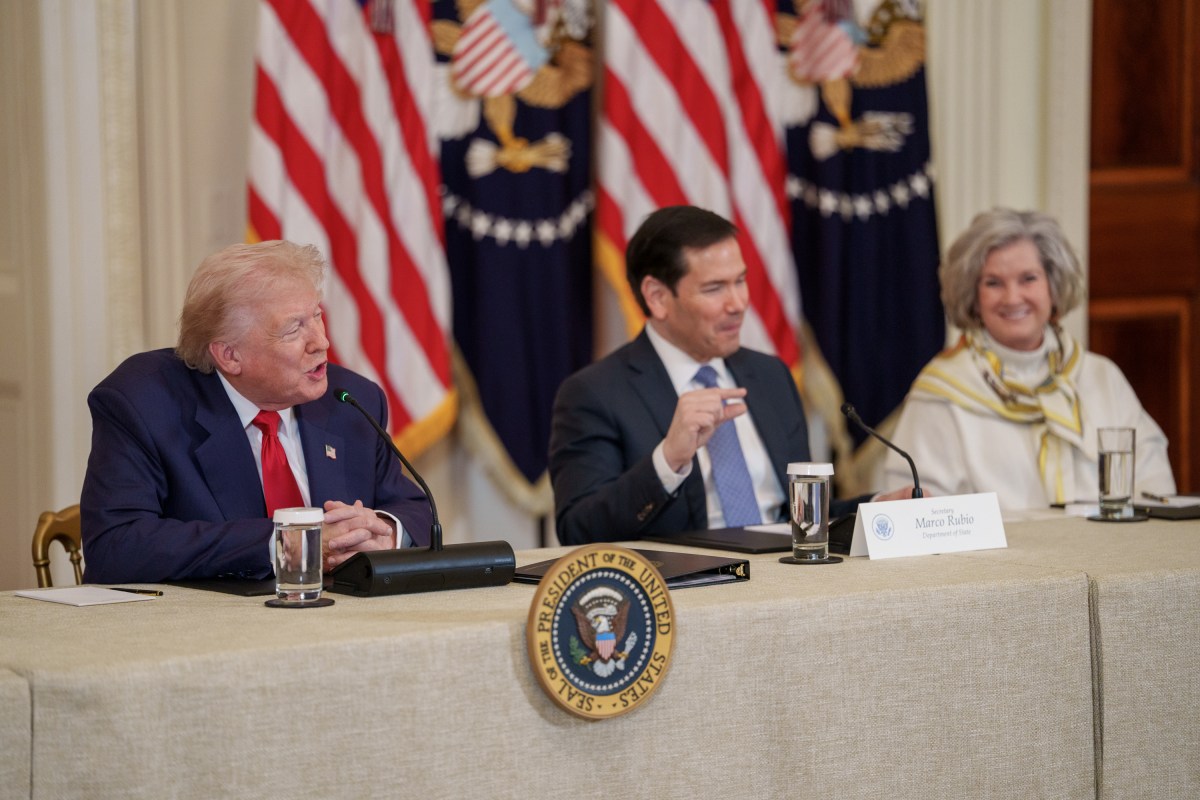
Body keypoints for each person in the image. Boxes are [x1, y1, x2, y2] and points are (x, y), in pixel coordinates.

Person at [549, 205, 913, 546]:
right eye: (715, 288)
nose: (738, 303)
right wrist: (668, 460)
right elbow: (578, 530)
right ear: (657, 297)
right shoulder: (594, 394)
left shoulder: (770, 376)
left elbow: (801, 520)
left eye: (740, 281)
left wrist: (878, 507)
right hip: (688, 597)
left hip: (790, 583)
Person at [80, 240, 432, 583]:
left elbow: (415, 509)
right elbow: (116, 547)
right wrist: (288, 542)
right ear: (230, 355)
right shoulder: (142, 402)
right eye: (294, 328)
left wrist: (387, 532)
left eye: (316, 316)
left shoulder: (352, 400)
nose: (321, 342)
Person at [883, 208, 1176, 508]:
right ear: (973, 295)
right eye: (993, 283)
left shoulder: (1102, 378)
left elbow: (1156, 491)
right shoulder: (940, 393)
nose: (1012, 298)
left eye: (1028, 278)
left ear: (1053, 284)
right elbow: (915, 513)